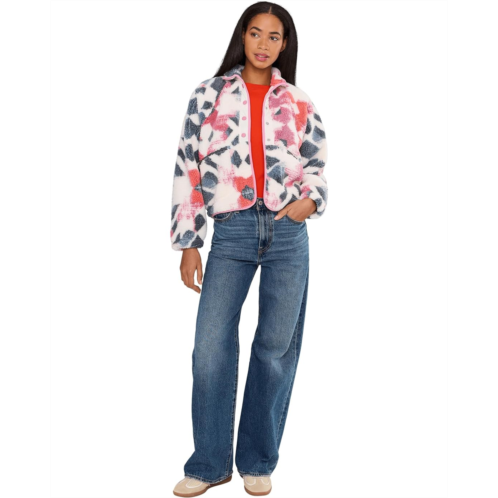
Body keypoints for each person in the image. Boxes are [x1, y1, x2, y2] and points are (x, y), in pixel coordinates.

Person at [171, 2, 328, 496]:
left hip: (288, 233)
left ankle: (257, 460)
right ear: (242, 36)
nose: (263, 44)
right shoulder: (208, 95)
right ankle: (209, 464)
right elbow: (187, 166)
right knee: (210, 348)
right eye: (255, 33)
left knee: (275, 350)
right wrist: (189, 242)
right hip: (232, 230)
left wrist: (310, 202)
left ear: (285, 44)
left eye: (274, 36)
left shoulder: (298, 101)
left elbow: (316, 163)